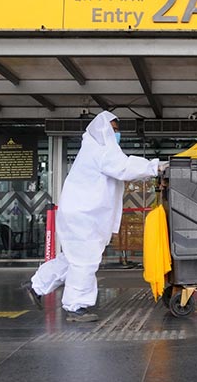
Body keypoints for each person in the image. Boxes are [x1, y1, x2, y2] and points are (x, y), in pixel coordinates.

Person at [22, 111, 167, 322]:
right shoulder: (101, 150)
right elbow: (123, 167)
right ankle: (76, 306)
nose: (117, 135)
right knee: (85, 260)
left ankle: (36, 285)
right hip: (83, 215)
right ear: (103, 130)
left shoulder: (93, 148)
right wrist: (155, 166)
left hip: (81, 213)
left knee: (73, 258)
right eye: (114, 130)